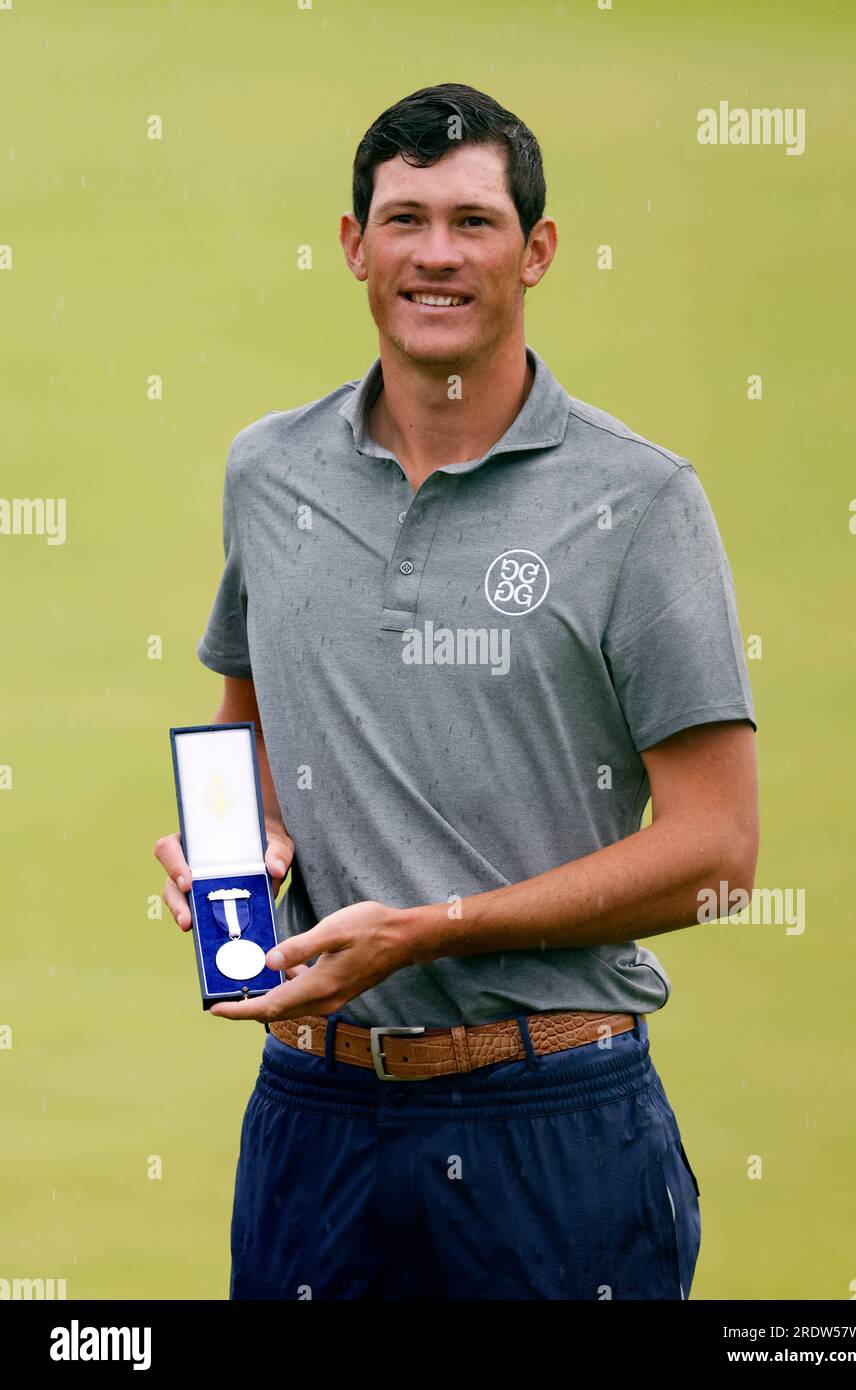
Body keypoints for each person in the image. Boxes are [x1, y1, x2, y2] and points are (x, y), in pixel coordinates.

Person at [154, 82, 759, 1301]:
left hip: (553, 1120)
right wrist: (238, 843)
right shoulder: (268, 471)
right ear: (353, 245)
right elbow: (250, 715)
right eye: (406, 218)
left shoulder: (639, 503)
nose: (436, 254)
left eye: (474, 222)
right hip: (312, 1118)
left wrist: (432, 930)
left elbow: (719, 857)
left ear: (535, 252)